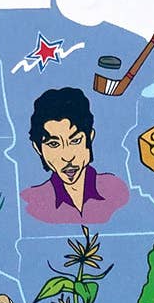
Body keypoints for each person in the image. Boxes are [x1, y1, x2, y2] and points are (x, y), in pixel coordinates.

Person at [21, 86, 129, 226]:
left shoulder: (116, 190)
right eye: (54, 144)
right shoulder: (32, 202)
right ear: (38, 149)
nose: (67, 156)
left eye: (75, 141)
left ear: (90, 138)